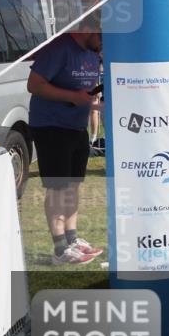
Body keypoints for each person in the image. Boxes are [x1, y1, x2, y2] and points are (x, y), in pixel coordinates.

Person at [26, 17, 105, 265]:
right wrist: (72, 95)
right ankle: (60, 249)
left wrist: (95, 103)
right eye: (102, 36)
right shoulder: (59, 48)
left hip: (76, 127)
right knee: (58, 187)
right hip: (50, 126)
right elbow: (34, 85)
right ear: (89, 29)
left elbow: (84, 95)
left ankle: (72, 240)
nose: (104, 43)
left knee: (72, 186)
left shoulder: (92, 53)